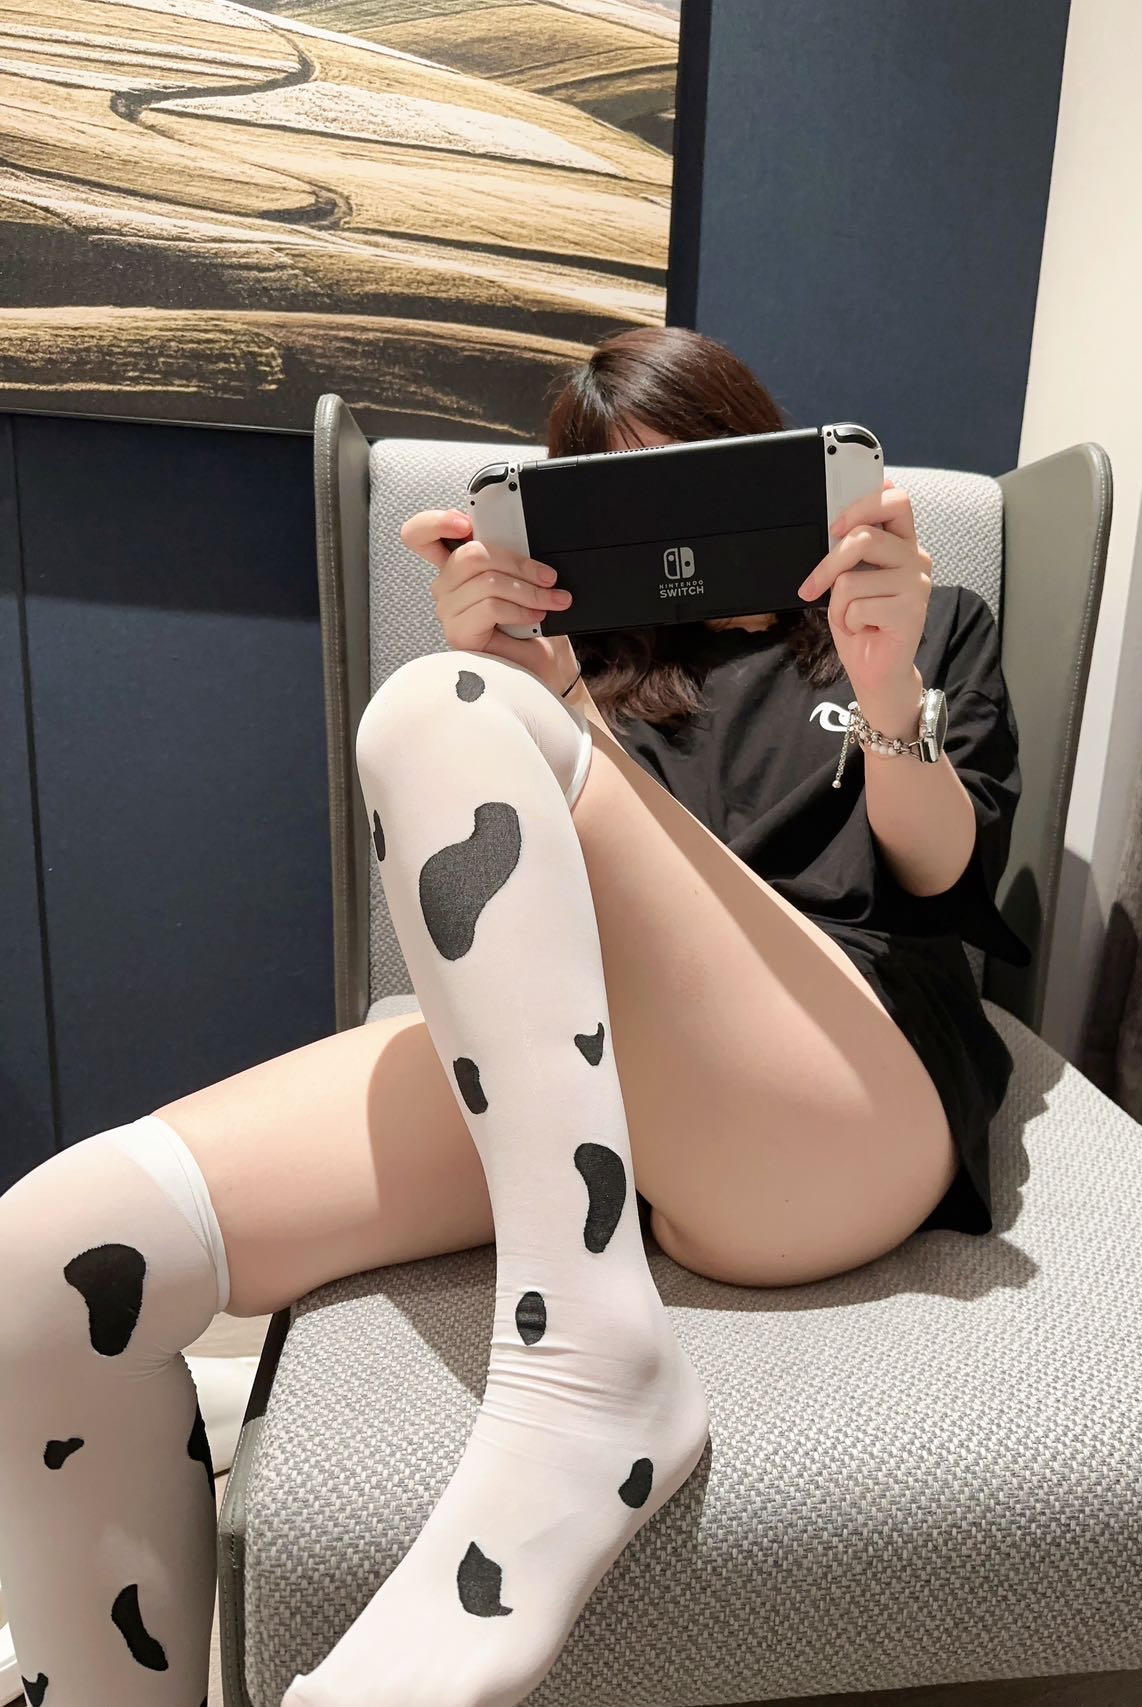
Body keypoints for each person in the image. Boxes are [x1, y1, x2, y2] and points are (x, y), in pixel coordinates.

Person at [0, 326, 1028, 1707]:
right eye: (626, 512)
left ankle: (585, 1379)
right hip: (588, 1071)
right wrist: (537, 693)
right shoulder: (590, 671)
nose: (679, 548)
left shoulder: (922, 617)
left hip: (846, 1085)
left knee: (431, 706)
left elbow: (944, 871)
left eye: (706, 484)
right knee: (45, 1266)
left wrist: (888, 682)